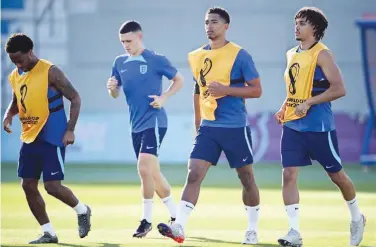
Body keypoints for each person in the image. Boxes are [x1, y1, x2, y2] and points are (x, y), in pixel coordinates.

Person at [157, 7, 262, 245]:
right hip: (209, 127)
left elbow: (256, 90)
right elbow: (198, 90)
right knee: (194, 173)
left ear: (226, 26)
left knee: (246, 179)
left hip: (235, 126)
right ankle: (179, 226)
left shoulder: (240, 55)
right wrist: (198, 124)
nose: (209, 26)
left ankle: (252, 228)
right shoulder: (196, 56)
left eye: (214, 22)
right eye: (206, 22)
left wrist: (226, 90)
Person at [275, 7, 366, 247]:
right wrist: (285, 106)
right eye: (296, 22)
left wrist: (310, 103)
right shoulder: (290, 54)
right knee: (288, 174)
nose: (296, 26)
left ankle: (357, 218)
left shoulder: (323, 54)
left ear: (315, 28)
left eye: (302, 23)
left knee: (337, 176)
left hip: (319, 127)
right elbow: (295, 88)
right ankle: (294, 232)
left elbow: (339, 89)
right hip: (293, 125)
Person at [3, 33, 91, 244]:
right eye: (13, 61)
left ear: (30, 52)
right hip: (29, 136)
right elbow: (17, 100)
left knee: (52, 186)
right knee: (27, 185)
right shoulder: (16, 74)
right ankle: (48, 232)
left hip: (53, 136)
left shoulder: (50, 72)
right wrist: (8, 115)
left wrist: (70, 129)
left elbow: (75, 98)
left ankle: (82, 210)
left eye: (20, 59)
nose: (17, 64)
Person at [107, 20, 184, 238]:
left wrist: (164, 97)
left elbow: (179, 79)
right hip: (135, 124)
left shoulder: (155, 59)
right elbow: (115, 93)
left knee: (143, 168)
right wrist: (112, 89)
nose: (125, 45)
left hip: (155, 121)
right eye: (122, 42)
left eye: (129, 41)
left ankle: (146, 220)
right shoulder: (119, 61)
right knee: (153, 174)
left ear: (140, 37)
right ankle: (176, 217)